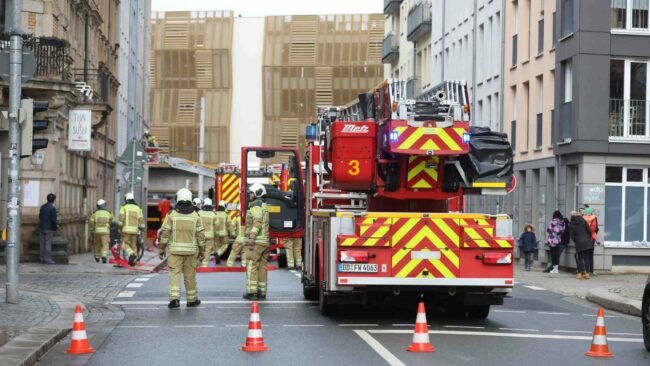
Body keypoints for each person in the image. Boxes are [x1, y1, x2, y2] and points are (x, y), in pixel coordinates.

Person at [158, 188, 206, 308]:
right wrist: (202, 251)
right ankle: (191, 300)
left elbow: (165, 233)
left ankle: (174, 299)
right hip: (191, 252)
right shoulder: (196, 216)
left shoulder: (171, 215)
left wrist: (161, 248)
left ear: (178, 198)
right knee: (190, 275)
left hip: (175, 252)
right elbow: (201, 235)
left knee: (175, 274)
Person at [243, 184, 270, 300]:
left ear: (257, 194)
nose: (250, 195)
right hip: (264, 241)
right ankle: (262, 291)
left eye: (251, 193)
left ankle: (252, 292)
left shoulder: (255, 206)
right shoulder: (264, 205)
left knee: (251, 265)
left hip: (257, 242)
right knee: (262, 267)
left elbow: (257, 222)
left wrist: (252, 237)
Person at [118, 192, 144, 266]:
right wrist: (142, 230)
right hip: (135, 231)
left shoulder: (123, 207)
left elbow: (121, 219)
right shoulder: (138, 208)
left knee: (124, 244)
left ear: (126, 199)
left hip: (126, 230)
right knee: (133, 245)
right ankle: (134, 262)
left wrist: (119, 228)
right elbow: (141, 220)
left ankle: (131, 254)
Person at [569, 210, 594, 279]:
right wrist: (587, 238)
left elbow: (572, 236)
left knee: (579, 258)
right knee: (586, 258)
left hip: (578, 242)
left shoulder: (571, 224)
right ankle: (587, 274)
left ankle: (580, 273)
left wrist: (576, 241)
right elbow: (589, 230)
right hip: (587, 241)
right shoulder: (583, 220)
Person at [89, 199, 114, 263]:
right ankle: (104, 256)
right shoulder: (108, 213)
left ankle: (97, 257)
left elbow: (91, 223)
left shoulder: (94, 214)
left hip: (96, 232)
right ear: (104, 205)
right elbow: (113, 220)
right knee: (105, 244)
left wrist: (91, 230)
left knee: (97, 244)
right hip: (105, 231)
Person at [38, 193, 58, 264]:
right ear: (54, 200)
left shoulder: (42, 207)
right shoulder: (53, 208)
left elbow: (40, 216)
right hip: (49, 228)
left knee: (42, 243)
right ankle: (47, 259)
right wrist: (55, 227)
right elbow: (53, 219)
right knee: (47, 243)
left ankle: (41, 258)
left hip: (41, 227)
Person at [198, 198, 218, 268]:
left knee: (200, 249)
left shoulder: (199, 213)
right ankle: (205, 265)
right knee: (208, 250)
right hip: (210, 236)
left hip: (201, 235)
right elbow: (216, 226)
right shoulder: (213, 215)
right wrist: (216, 236)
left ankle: (198, 262)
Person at [582, 206, 599, 276]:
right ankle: (591, 270)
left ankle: (586, 270)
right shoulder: (594, 218)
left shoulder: (582, 218)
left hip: (584, 237)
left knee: (585, 255)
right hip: (592, 238)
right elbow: (595, 228)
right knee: (590, 255)